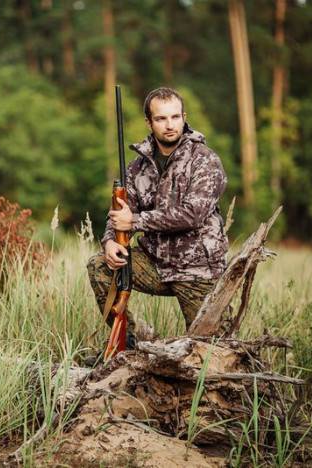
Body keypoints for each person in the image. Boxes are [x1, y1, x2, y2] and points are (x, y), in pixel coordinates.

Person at [87, 87, 229, 343]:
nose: (170, 125)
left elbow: (193, 214)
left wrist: (137, 221)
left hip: (198, 270)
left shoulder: (205, 161)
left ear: (184, 116)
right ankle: (131, 344)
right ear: (149, 122)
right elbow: (120, 214)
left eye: (175, 117)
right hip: (155, 264)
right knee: (99, 265)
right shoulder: (137, 167)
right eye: (161, 118)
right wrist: (109, 240)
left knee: (214, 352)